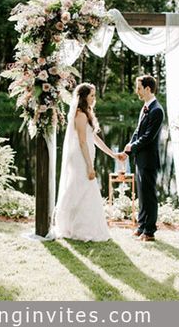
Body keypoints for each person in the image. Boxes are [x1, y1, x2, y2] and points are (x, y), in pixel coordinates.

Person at [49, 83, 119, 241]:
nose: (94, 98)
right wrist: (89, 166)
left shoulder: (87, 113)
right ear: (84, 97)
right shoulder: (80, 115)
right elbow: (82, 141)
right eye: (92, 95)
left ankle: (79, 226)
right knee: (82, 188)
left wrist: (112, 154)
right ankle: (76, 228)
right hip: (80, 158)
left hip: (86, 156)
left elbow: (93, 138)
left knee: (83, 189)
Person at [119, 74, 164, 242]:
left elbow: (148, 136)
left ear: (147, 88)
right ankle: (142, 226)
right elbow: (138, 132)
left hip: (149, 160)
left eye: (138, 88)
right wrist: (127, 150)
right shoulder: (145, 107)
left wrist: (133, 146)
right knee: (142, 195)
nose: (136, 91)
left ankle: (150, 231)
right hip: (140, 158)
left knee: (149, 195)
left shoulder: (157, 110)